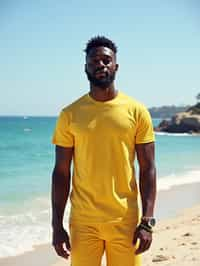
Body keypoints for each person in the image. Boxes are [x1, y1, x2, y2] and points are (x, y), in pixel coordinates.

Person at [51, 36, 156, 266]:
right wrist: (56, 225)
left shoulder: (136, 111)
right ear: (85, 68)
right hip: (83, 222)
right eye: (94, 61)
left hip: (125, 220)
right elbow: (61, 172)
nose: (101, 65)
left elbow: (147, 168)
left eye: (106, 60)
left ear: (116, 66)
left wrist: (147, 220)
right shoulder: (69, 114)